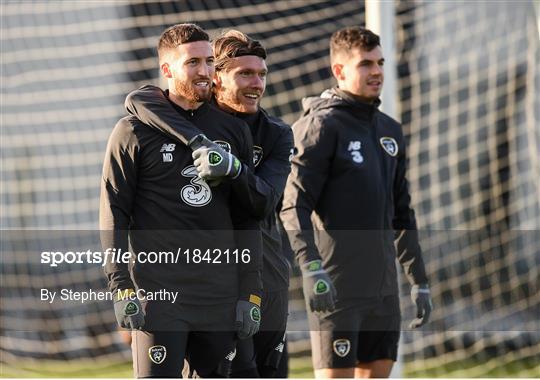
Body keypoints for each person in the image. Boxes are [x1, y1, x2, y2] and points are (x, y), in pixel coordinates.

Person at [124, 30, 293, 377]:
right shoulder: (187, 117)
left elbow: (264, 202)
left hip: (266, 276)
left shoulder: (276, 133)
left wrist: (232, 168)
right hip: (207, 285)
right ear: (217, 78)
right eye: (245, 74)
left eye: (262, 74)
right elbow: (140, 99)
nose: (257, 84)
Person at [280, 26, 433, 378]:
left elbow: (403, 213)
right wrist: (311, 268)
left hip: (383, 292)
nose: (377, 71)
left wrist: (418, 279)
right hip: (336, 289)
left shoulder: (390, 131)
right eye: (366, 64)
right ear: (340, 70)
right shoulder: (320, 127)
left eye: (380, 62)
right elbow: (293, 205)